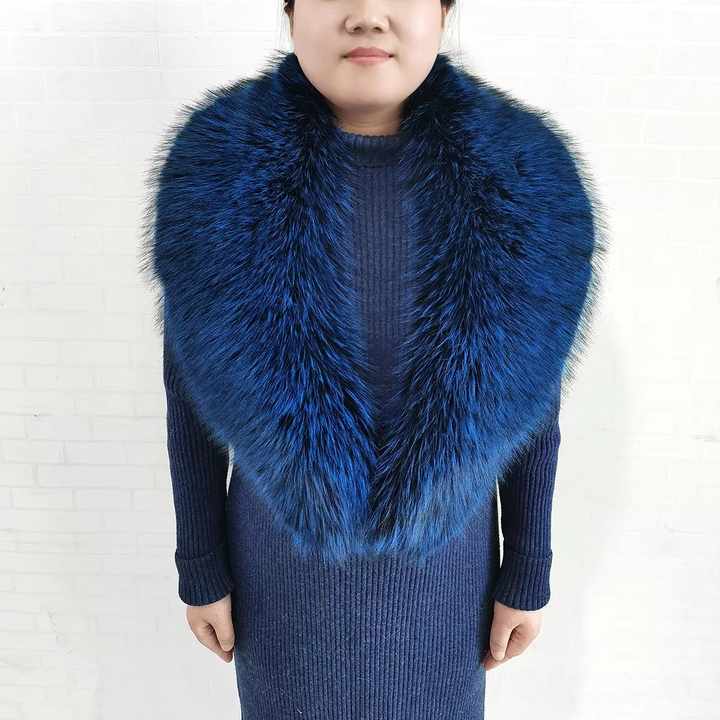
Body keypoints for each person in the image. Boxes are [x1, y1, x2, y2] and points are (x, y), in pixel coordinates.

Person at [143, 0, 605, 717]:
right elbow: (191, 397)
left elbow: (532, 406)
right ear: (291, 11)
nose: (367, 16)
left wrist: (527, 568)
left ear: (443, 12)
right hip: (279, 586)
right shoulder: (218, 177)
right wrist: (200, 565)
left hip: (448, 587)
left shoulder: (524, 183)